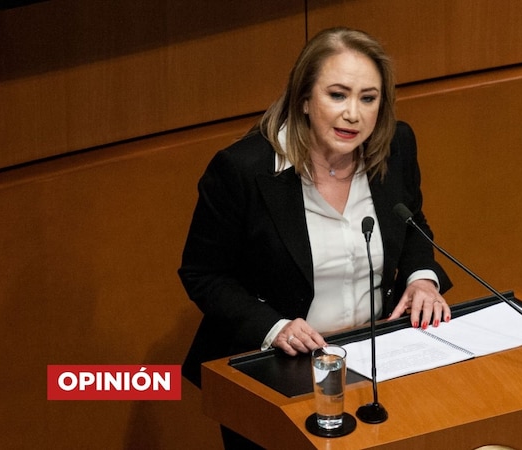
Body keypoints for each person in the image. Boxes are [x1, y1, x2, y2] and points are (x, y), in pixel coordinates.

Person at [178, 27, 452, 449]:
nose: (353, 115)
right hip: (280, 369)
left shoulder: (395, 146)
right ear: (304, 99)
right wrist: (275, 327)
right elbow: (204, 274)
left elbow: (411, 221)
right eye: (337, 95)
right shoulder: (242, 171)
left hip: (377, 360)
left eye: (368, 98)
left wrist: (421, 277)